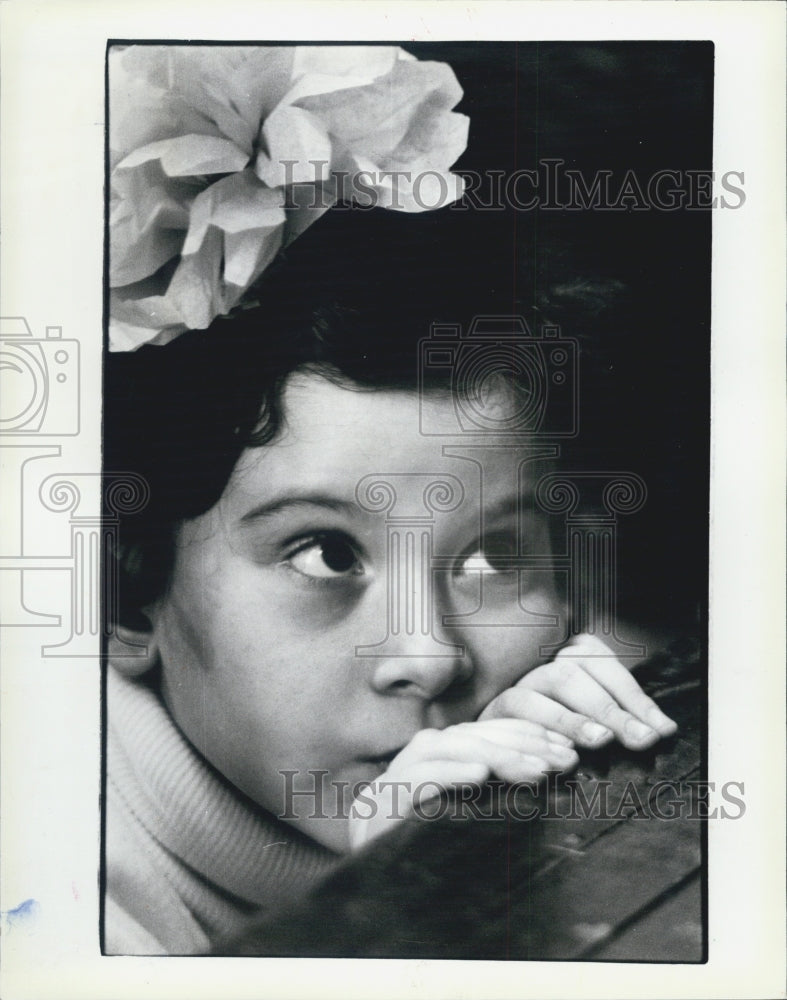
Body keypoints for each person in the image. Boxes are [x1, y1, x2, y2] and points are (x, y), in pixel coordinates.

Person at [103, 44, 682, 956]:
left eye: (492, 559)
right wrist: (405, 918)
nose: (429, 655)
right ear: (127, 593)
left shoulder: (591, 687)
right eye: (327, 554)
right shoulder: (62, 912)